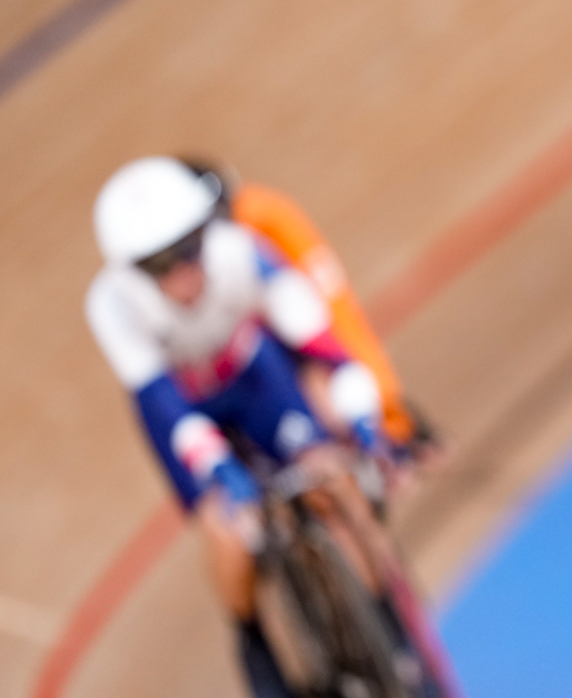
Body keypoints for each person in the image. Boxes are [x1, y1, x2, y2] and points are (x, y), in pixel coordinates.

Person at [84, 157, 396, 698]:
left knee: (332, 480)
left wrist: (362, 416)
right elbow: (163, 405)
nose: (182, 272)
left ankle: (386, 624)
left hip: (254, 379)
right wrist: (220, 473)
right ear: (132, 271)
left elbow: (319, 343)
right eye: (159, 265)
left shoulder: (242, 250)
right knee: (226, 522)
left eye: (188, 249)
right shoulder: (110, 306)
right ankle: (252, 636)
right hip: (186, 406)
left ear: (208, 234)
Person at [178, 158, 441, 479]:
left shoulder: (263, 213)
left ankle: (395, 429)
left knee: (317, 358)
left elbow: (338, 313)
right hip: (240, 333)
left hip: (285, 310)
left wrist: (383, 406)